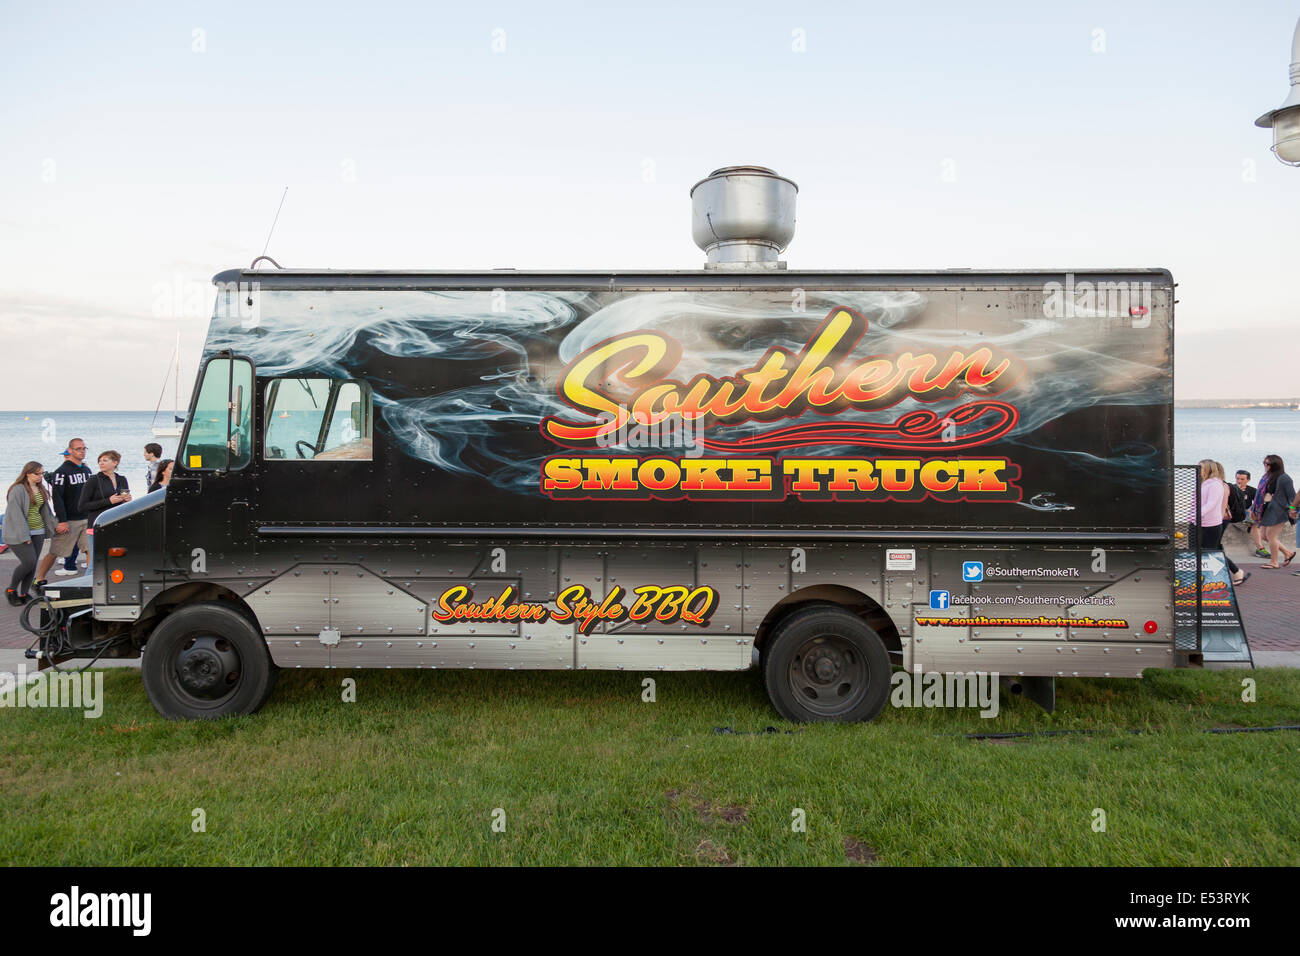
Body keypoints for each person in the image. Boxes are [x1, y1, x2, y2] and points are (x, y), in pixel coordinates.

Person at [34, 437, 93, 584]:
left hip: (86, 517)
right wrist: (62, 520)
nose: (82, 451)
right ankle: (39, 578)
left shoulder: (87, 470)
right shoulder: (62, 472)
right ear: (70, 451)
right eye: (78, 449)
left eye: (84, 448)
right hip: (69, 520)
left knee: (90, 549)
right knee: (55, 551)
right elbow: (57, 498)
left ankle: (90, 580)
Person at [4, 462, 57, 605]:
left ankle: (24, 593)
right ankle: (11, 590)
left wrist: (54, 527)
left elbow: (45, 511)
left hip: (38, 531)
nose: (40, 476)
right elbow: (15, 514)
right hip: (19, 533)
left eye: (42, 473)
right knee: (28, 562)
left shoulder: (40, 488)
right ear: (27, 473)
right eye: (37, 474)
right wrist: (24, 535)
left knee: (33, 565)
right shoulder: (18, 489)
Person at [1191, 460, 1248, 586]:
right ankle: (1233, 572)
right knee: (1212, 550)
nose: (1198, 469)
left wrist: (1197, 516)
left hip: (1217, 522)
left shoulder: (1219, 486)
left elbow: (1217, 507)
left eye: (1201, 467)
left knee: (1212, 551)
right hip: (1208, 521)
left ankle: (1233, 572)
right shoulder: (1204, 483)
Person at [1256, 454, 1296, 569]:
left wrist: (1292, 510)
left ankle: (1274, 561)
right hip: (1267, 510)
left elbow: (1292, 497)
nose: (1265, 465)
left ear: (1275, 465)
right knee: (1264, 536)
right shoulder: (1267, 477)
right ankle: (1288, 553)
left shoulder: (1285, 478)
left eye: (1268, 464)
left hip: (1279, 511)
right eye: (1264, 463)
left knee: (1271, 536)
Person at [78, 450, 131, 531]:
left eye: (105, 460)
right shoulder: (93, 480)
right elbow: (82, 506)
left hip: (117, 523)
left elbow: (124, 501)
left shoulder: (122, 479)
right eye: (99, 461)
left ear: (115, 463)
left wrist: (127, 500)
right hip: (98, 525)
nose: (101, 463)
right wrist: (108, 501)